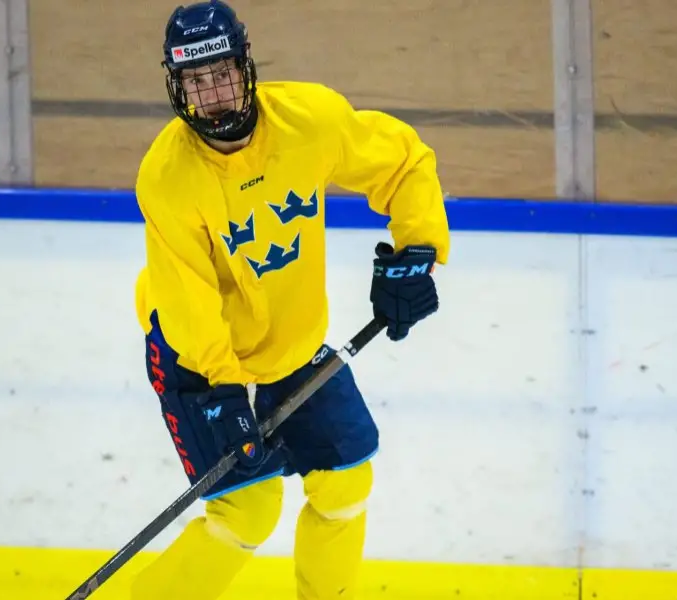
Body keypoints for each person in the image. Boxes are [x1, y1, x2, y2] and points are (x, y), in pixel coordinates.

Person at [130, 1, 450, 598]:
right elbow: (188, 303)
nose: (215, 95)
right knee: (247, 515)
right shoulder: (168, 176)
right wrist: (225, 393)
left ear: (246, 67)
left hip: (292, 343)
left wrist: (418, 251)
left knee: (346, 484)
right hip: (198, 358)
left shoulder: (310, 120)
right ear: (178, 89)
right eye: (197, 82)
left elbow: (404, 163)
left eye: (222, 73)